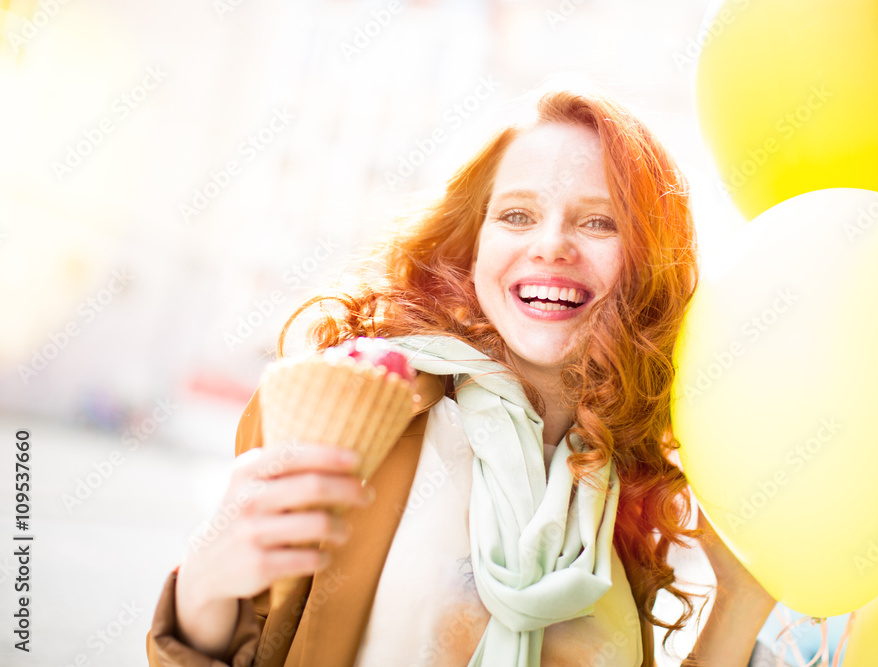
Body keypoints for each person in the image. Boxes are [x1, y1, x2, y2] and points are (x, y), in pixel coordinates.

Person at [146, 88, 776, 667]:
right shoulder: (359, 412)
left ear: (645, 265)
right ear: (472, 245)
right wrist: (204, 584)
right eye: (518, 216)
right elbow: (241, 643)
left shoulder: (622, 489)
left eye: (598, 221)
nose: (551, 246)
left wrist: (742, 601)